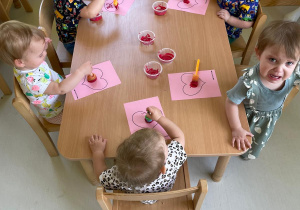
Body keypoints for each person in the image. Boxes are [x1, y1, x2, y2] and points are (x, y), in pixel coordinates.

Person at [225, 20, 300, 160]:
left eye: (289, 63)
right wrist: (236, 128)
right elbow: (231, 102)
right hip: (247, 119)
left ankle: (248, 153)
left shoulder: (294, 72)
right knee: (242, 141)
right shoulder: (249, 82)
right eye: (272, 59)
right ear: (258, 53)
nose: (279, 70)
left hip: (269, 120)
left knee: (258, 141)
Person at [0, 20, 93, 124]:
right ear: (20, 62)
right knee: (88, 114)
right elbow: (60, 89)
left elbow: (34, 42)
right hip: (58, 111)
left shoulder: (26, 63)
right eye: (40, 54)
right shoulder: (33, 82)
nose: (45, 53)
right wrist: (80, 71)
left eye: (44, 48)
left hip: (62, 92)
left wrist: (42, 43)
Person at [89, 106, 186, 204]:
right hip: (164, 191)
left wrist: (97, 152)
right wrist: (159, 118)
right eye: (165, 144)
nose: (166, 144)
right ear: (163, 168)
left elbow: (100, 176)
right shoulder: (172, 160)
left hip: (139, 197)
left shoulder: (118, 176)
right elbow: (179, 136)